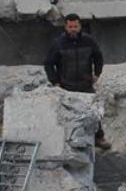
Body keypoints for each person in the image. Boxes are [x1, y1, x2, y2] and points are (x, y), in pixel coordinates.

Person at [44, 13, 111, 149]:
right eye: (70, 27)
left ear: (80, 26)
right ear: (65, 27)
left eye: (75, 26)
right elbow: (48, 64)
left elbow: (98, 57)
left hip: (85, 84)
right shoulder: (58, 44)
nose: (73, 29)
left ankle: (99, 138)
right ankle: (66, 142)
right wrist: (55, 82)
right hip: (66, 86)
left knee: (93, 113)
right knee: (67, 115)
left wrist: (97, 74)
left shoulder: (89, 41)